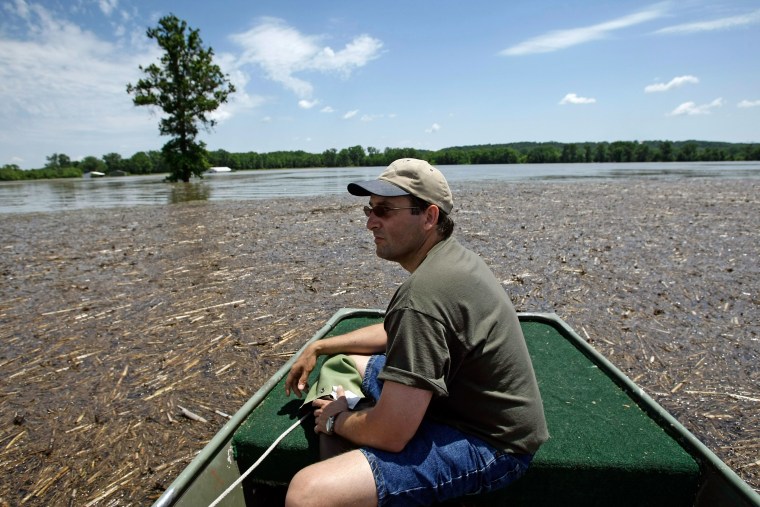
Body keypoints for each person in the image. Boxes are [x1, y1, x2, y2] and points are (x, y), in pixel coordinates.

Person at [284, 158, 548, 507]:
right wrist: (322, 346)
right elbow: (401, 333)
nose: (369, 222)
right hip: (459, 403)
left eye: (385, 210)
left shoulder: (424, 294)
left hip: (491, 443)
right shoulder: (451, 260)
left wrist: (336, 420)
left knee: (308, 492)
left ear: (429, 217)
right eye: (369, 209)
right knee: (353, 361)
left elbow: (390, 434)